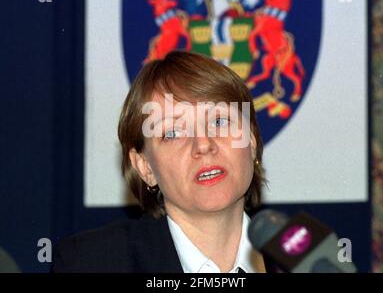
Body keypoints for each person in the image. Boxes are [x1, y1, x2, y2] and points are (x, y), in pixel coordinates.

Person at [52, 51, 267, 273]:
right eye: (172, 133)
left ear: (250, 140)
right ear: (145, 166)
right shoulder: (90, 264)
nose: (203, 144)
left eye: (219, 121)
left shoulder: (301, 259)